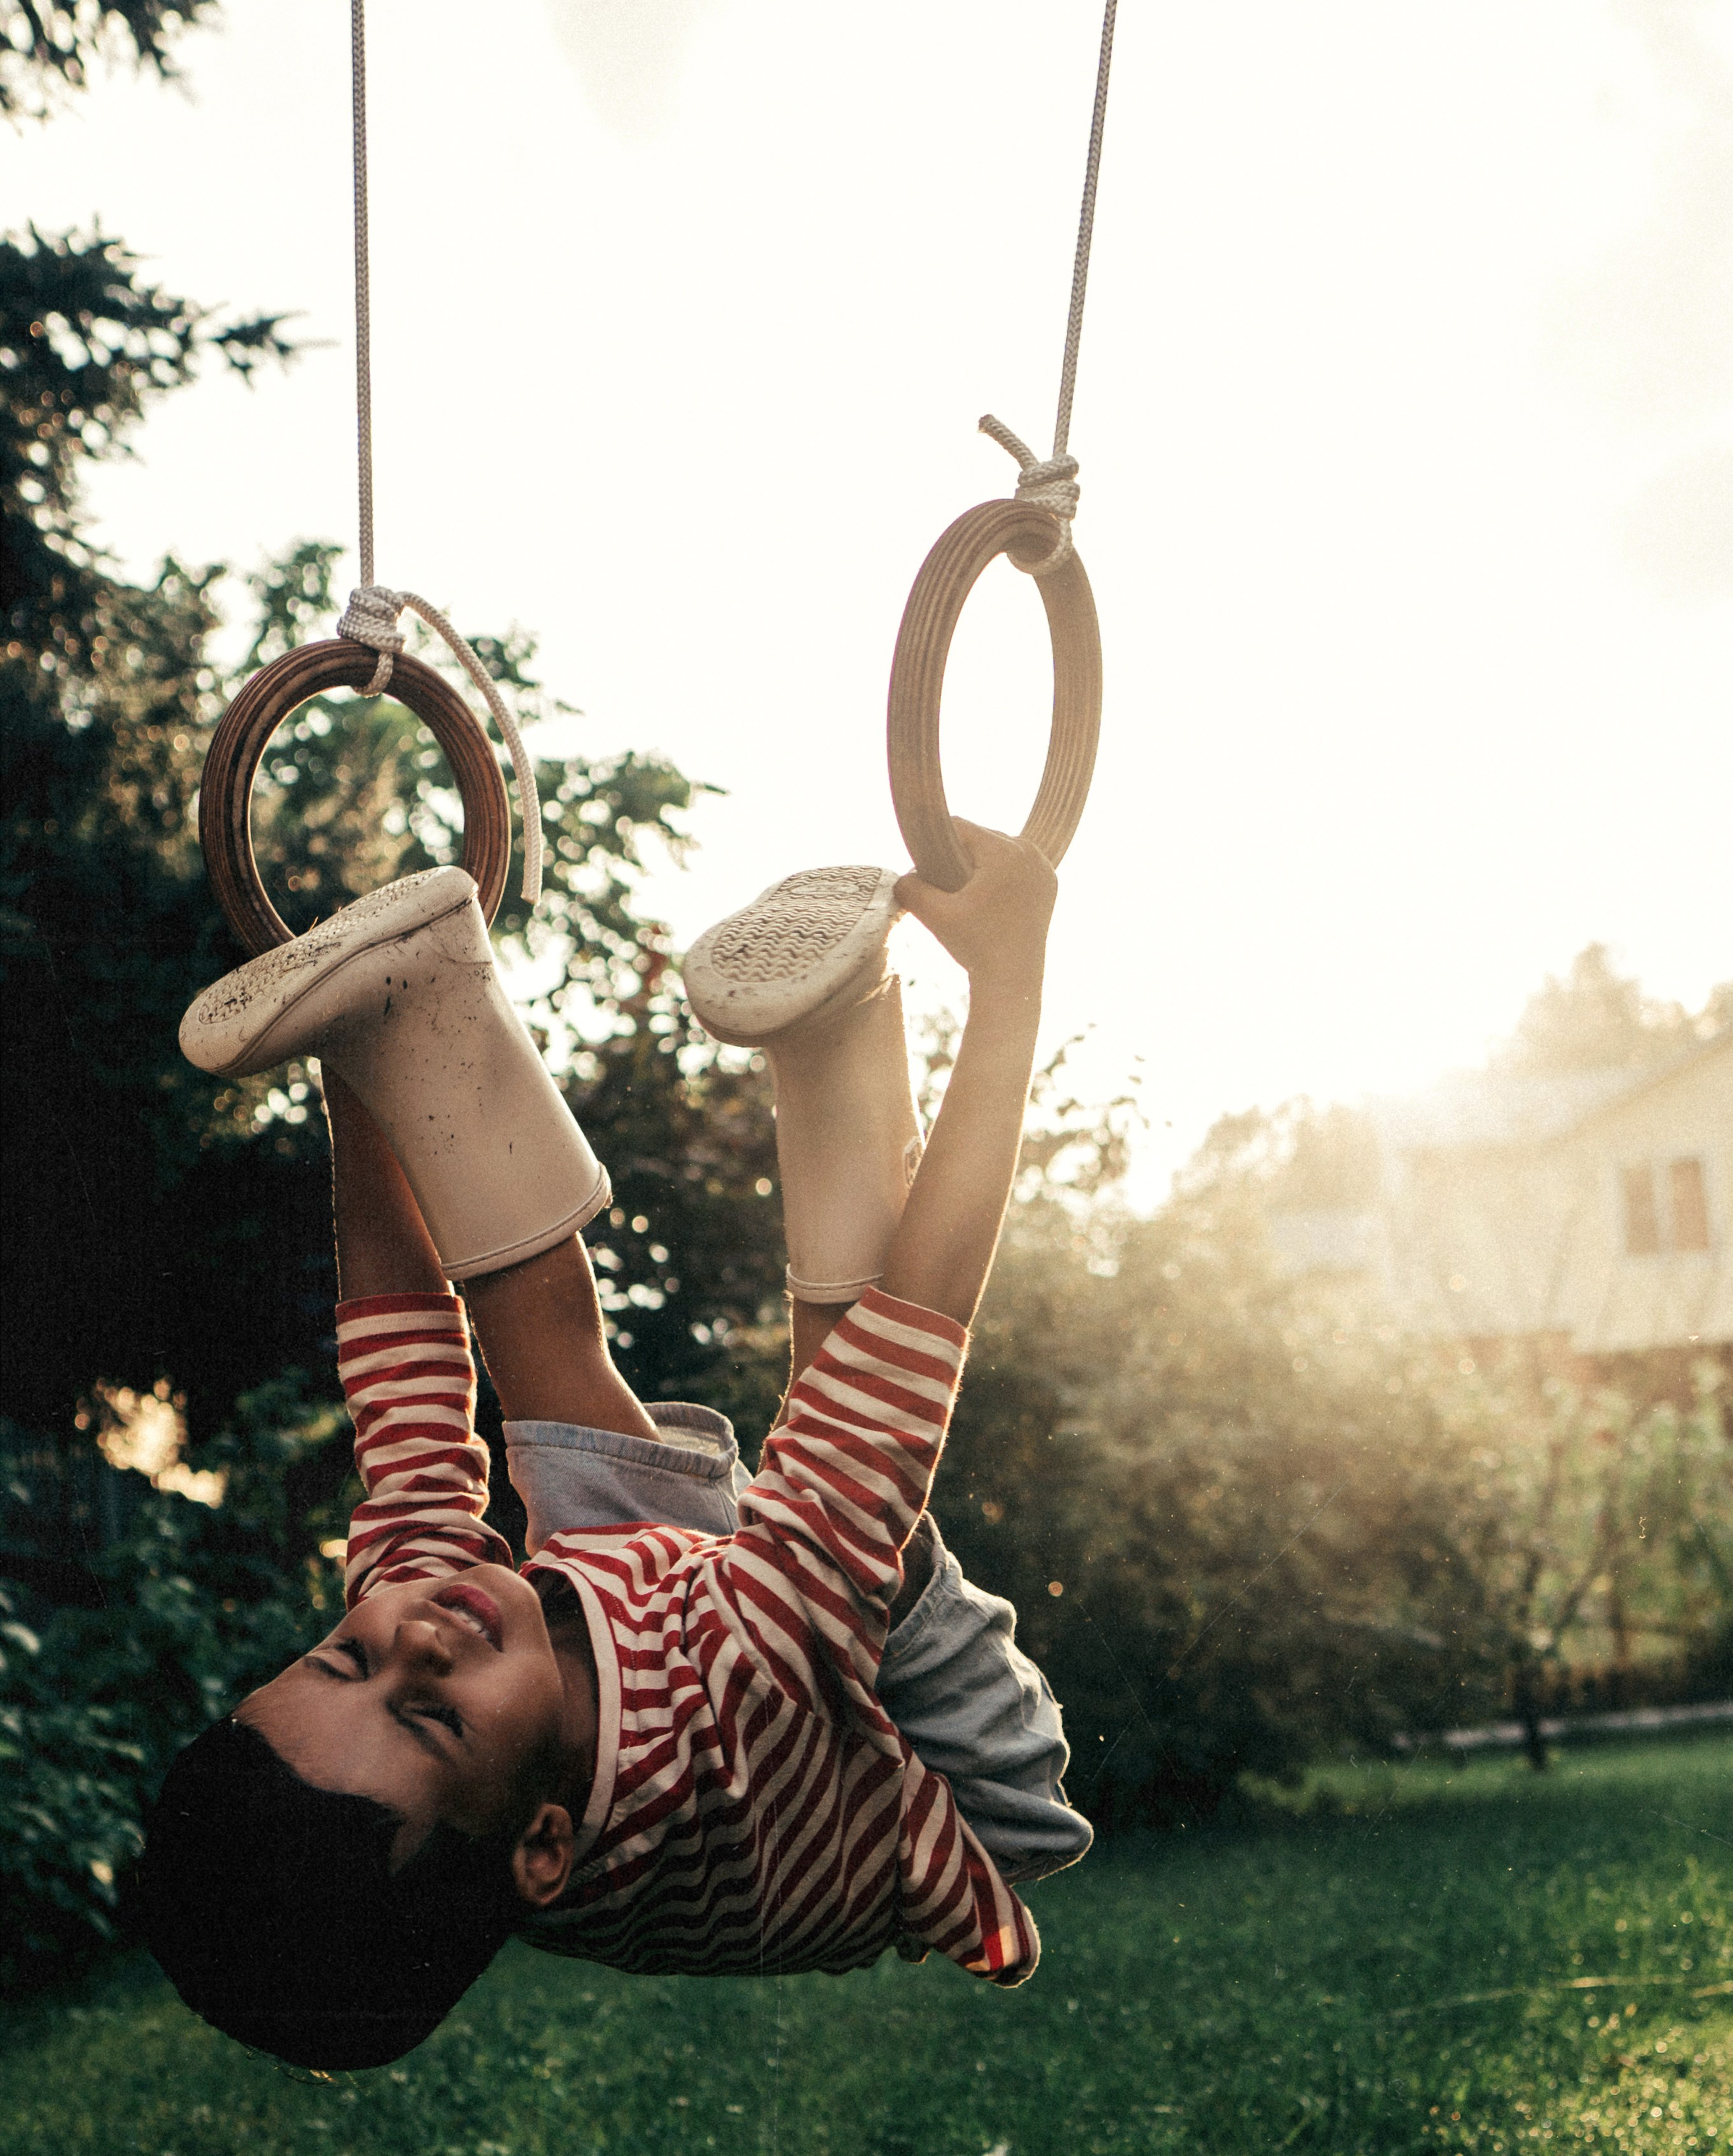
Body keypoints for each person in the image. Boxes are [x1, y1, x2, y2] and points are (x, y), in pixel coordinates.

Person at [135, 825, 1091, 2071]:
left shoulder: (429, 1644)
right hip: (933, 1772)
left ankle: (419, 1010)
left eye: (343, 1659)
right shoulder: (749, 1693)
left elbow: (403, 1383)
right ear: (539, 1843)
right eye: (427, 1718)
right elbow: (906, 1353)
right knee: (845, 1402)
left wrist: (357, 1071)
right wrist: (1013, 983)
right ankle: (845, 1033)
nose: (412, 1639)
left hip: (660, 1663)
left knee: (553, 1397)